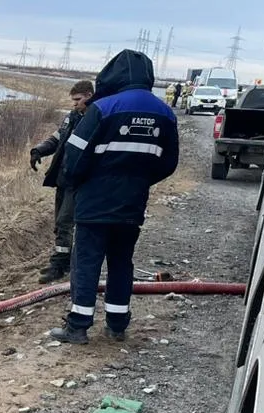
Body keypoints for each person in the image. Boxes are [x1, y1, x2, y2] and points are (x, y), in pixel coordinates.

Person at [50, 49, 179, 344]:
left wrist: (79, 182)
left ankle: (78, 327)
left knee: (86, 263)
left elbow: (74, 154)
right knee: (122, 262)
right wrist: (139, 181)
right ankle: (117, 325)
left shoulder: (103, 108)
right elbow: (169, 163)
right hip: (132, 204)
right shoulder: (165, 112)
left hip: (94, 203)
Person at [29, 79, 95, 283]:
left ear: (89, 96)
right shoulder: (73, 117)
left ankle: (60, 265)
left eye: (78, 100)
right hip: (63, 178)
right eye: (73, 100)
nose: (74, 104)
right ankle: (63, 260)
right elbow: (57, 138)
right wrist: (39, 150)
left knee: (65, 222)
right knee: (60, 223)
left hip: (79, 181)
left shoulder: (95, 119)